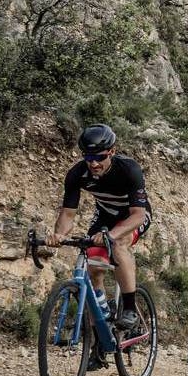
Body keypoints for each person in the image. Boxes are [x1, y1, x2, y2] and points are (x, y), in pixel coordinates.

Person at [50, 123, 150, 335]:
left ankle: (130, 309)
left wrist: (111, 234)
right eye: (88, 158)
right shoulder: (76, 174)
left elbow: (138, 215)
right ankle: (100, 334)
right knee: (93, 268)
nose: (94, 163)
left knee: (118, 243)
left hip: (133, 215)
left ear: (112, 152)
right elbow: (68, 214)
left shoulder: (129, 169)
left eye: (100, 157)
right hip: (105, 215)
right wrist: (59, 234)